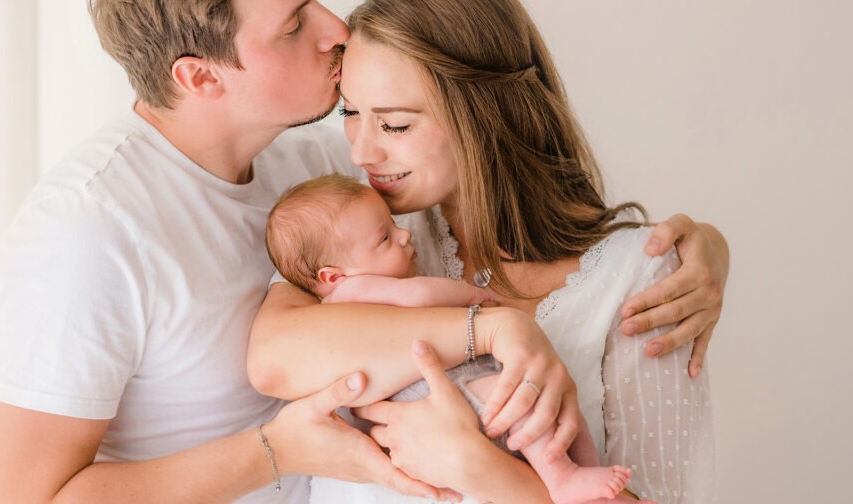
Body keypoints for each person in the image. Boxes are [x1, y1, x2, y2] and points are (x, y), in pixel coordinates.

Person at [0, 0, 725, 503]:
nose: (336, 28)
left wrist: (703, 249)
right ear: (200, 76)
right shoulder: (87, 231)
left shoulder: (329, 180)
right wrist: (493, 326)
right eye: (294, 21)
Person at [250, 0, 727, 503]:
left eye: (396, 124)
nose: (362, 150)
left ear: (484, 117)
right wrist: (495, 328)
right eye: (351, 113)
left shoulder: (640, 277)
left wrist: (477, 467)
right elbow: (271, 360)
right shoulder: (366, 233)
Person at [265, 173, 638, 503]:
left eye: (393, 225)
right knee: (525, 399)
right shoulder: (351, 292)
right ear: (333, 276)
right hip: (428, 390)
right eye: (384, 238)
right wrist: (473, 298)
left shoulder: (336, 298)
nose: (404, 234)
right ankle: (566, 476)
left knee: (549, 401)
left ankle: (585, 478)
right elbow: (418, 296)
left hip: (438, 395)